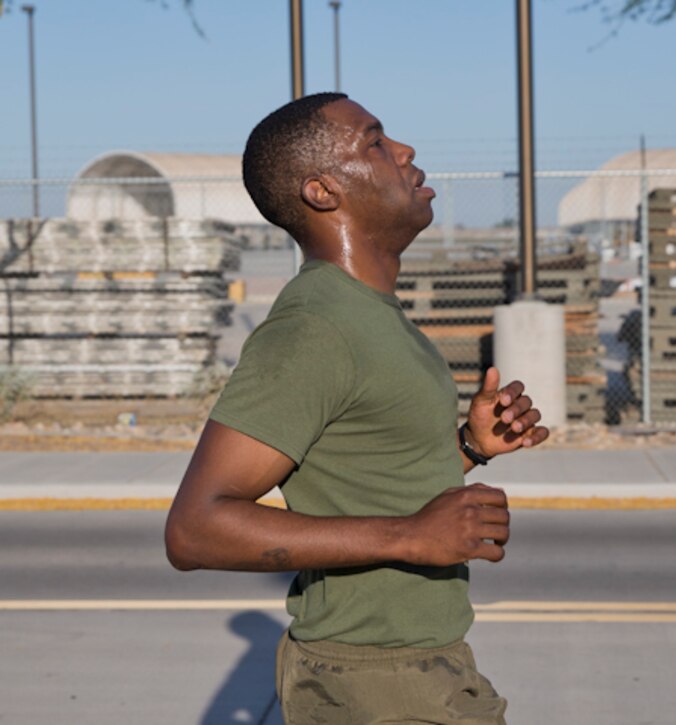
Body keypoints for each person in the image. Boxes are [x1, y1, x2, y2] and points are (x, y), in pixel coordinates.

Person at [165, 92, 548, 725]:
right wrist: (408, 536)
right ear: (322, 192)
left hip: (419, 670)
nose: (405, 151)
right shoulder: (315, 327)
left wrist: (468, 448)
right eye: (374, 142)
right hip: (378, 685)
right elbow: (194, 529)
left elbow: (356, 478)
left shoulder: (369, 315)